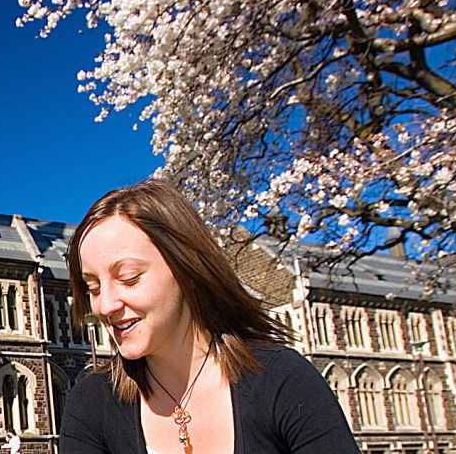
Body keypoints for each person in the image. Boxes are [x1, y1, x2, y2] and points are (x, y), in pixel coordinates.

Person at [60, 179, 358, 453]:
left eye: (129, 278)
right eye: (93, 288)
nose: (105, 305)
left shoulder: (282, 380)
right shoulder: (92, 404)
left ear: (185, 267)